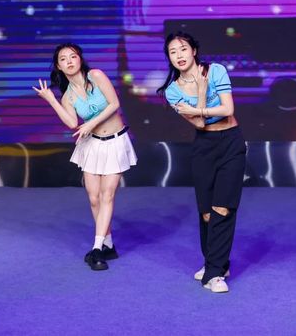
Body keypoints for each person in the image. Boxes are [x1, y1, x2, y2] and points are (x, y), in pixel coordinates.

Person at [33, 43, 137, 271]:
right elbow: (72, 123)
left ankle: (97, 248)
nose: (69, 61)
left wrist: (90, 123)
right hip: (91, 145)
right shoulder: (68, 97)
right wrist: (51, 99)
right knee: (94, 198)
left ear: (80, 59)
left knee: (107, 194)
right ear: (59, 66)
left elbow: (115, 104)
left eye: (73, 56)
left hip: (115, 142)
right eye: (63, 59)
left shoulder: (96, 76)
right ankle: (108, 243)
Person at [158, 31, 246, 293]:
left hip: (231, 142)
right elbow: (198, 123)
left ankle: (215, 273)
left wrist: (198, 107)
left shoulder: (216, 71)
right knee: (207, 212)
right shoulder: (172, 91)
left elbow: (228, 109)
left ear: (194, 50)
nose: (179, 55)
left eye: (183, 49)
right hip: (204, 147)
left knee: (223, 208)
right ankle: (215, 262)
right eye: (173, 52)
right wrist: (200, 93)